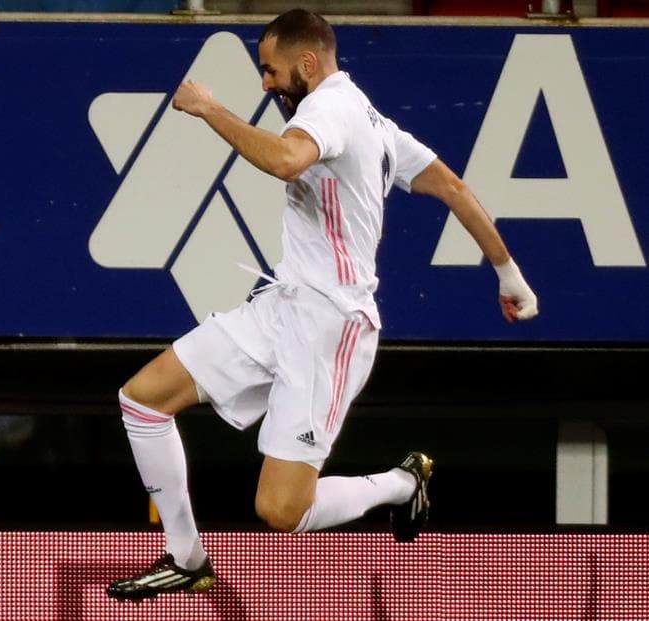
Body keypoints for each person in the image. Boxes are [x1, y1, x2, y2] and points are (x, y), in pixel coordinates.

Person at [106, 8, 538, 602]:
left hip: (330, 327)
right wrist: (508, 274)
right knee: (144, 400)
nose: (265, 84)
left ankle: (398, 481)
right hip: (283, 306)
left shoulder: (331, 110)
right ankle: (186, 558)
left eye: (270, 70)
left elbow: (285, 160)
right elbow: (456, 189)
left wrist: (209, 108)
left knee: (280, 510)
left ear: (307, 63)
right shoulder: (374, 120)